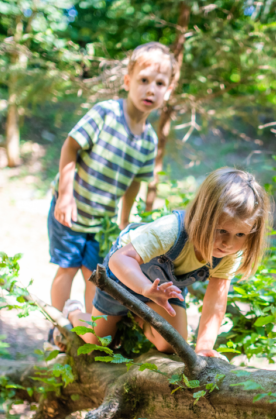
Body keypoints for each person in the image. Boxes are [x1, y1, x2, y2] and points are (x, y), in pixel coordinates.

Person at [56, 168, 271, 358]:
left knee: (172, 344)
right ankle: (72, 312)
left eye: (240, 234)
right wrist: (143, 289)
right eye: (221, 230)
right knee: (98, 343)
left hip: (162, 290)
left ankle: (137, 317)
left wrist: (204, 347)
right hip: (124, 276)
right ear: (203, 216)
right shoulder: (171, 230)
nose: (228, 243)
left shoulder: (229, 253)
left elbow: (216, 300)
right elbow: (119, 260)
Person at [48, 42, 177, 316]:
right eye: (143, 80)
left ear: (168, 90)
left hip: (102, 219)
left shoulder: (148, 141)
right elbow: (70, 147)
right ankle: (57, 325)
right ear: (128, 81)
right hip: (71, 206)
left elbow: (134, 183)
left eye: (160, 83)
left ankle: (85, 329)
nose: (151, 89)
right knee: (68, 267)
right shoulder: (105, 113)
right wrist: (65, 194)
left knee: (95, 274)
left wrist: (124, 219)